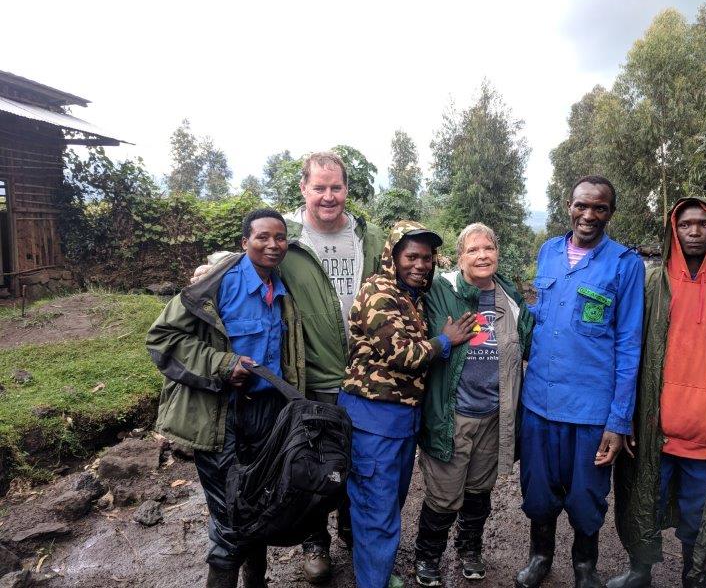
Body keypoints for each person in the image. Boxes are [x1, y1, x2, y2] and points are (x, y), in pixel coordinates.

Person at [193, 151, 384, 583]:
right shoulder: (289, 238)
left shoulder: (369, 239)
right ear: (304, 189)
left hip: (363, 374)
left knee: (358, 457)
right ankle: (314, 540)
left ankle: (354, 532)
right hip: (306, 376)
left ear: (347, 189)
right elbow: (248, 254)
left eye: (336, 187)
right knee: (307, 460)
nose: (328, 196)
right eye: (319, 187)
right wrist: (213, 266)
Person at [610, 197, 706, 588]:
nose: (694, 232)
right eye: (685, 225)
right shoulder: (650, 283)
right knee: (641, 505)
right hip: (652, 430)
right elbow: (626, 351)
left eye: (703, 224)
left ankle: (694, 577)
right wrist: (623, 415)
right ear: (672, 231)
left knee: (701, 518)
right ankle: (639, 570)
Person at [147, 209, 304, 588]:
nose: (272, 244)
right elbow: (162, 338)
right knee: (232, 514)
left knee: (259, 504)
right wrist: (222, 364)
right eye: (262, 237)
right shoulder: (217, 284)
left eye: (279, 237)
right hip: (222, 417)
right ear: (244, 242)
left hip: (268, 416)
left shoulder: (280, 288)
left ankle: (256, 582)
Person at [515, 175, 645, 588]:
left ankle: (584, 565)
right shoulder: (548, 251)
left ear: (610, 212)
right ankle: (540, 556)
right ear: (568, 205)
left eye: (599, 208)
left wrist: (618, 420)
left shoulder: (625, 264)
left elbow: (629, 345)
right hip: (540, 401)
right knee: (538, 489)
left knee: (587, 495)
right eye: (581, 206)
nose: (588, 215)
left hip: (591, 409)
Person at [338, 220, 476, 588]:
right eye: (411, 256)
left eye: (427, 258)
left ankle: (376, 572)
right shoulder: (379, 292)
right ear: (392, 257)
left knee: (388, 504)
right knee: (376, 509)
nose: (421, 264)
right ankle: (374, 582)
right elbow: (400, 354)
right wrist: (445, 341)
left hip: (401, 420)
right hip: (373, 420)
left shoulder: (410, 296)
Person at [413, 223, 534, 586]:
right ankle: (428, 556)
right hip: (453, 414)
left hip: (495, 415)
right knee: (443, 494)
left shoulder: (509, 297)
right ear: (460, 256)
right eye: (473, 250)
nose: (482, 255)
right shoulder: (440, 291)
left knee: (479, 490)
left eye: (489, 248)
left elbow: (529, 343)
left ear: (497, 252)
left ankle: (470, 548)